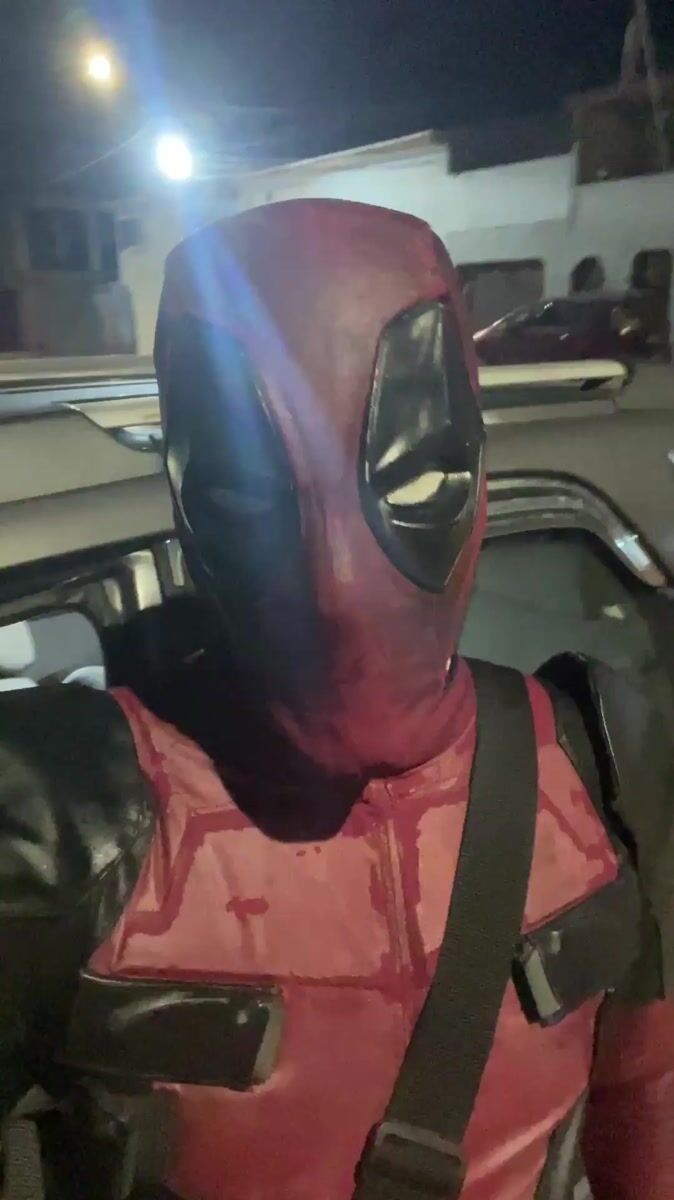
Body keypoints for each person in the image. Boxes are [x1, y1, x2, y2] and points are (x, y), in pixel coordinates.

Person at [0, 199, 673, 1200]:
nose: (340, 587)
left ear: (478, 475)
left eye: (418, 480)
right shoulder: (58, 823)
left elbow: (645, 1098)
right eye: (247, 497)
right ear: (186, 506)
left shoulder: (601, 760)